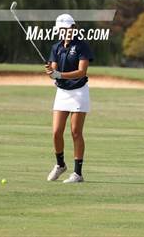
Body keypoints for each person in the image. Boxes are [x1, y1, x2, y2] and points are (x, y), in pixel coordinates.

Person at [45, 13, 93, 183]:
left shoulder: (81, 46)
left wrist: (59, 74)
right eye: (61, 29)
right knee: (56, 132)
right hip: (62, 92)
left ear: (73, 29)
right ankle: (60, 165)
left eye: (67, 29)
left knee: (75, 132)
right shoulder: (56, 47)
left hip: (79, 92)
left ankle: (78, 173)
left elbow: (82, 71)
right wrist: (51, 73)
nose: (65, 32)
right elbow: (54, 70)